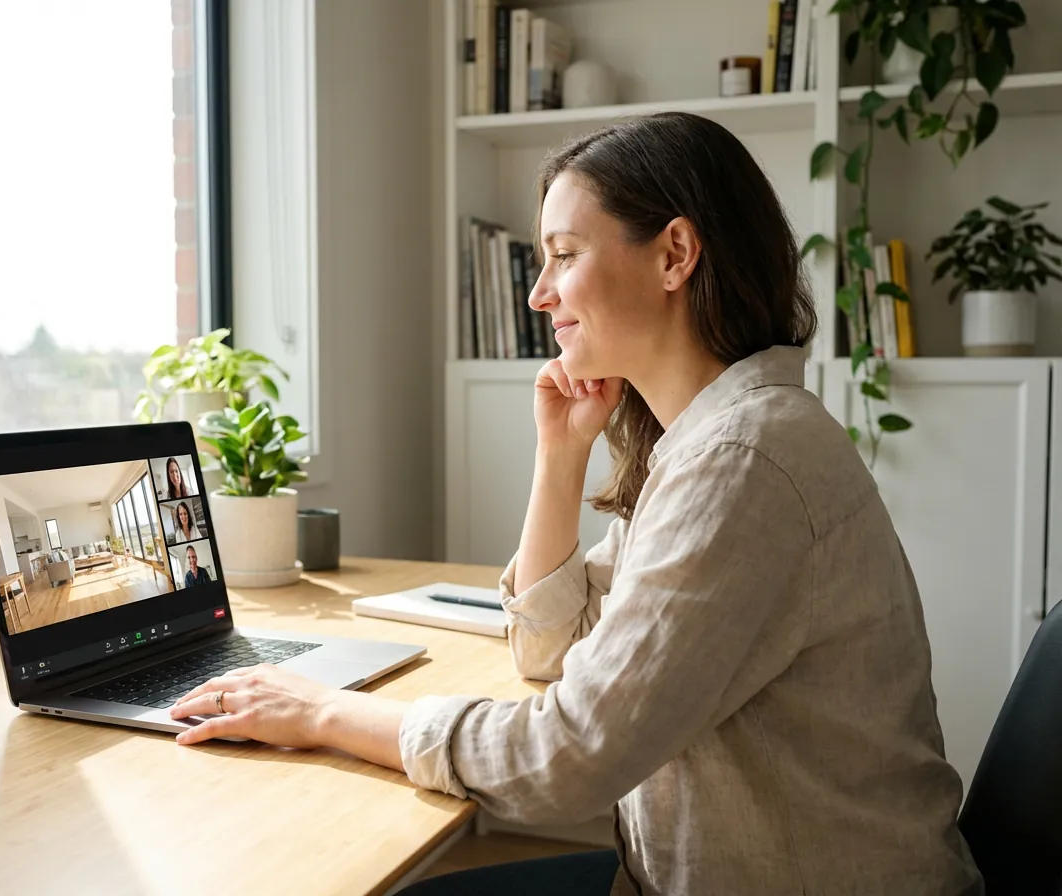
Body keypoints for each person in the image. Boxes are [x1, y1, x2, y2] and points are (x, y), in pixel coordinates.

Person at [167, 112, 983, 896]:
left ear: (675, 255)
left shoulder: (743, 463)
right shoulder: (706, 442)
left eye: (563, 255)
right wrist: (560, 458)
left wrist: (323, 712)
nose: (538, 295)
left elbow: (565, 758)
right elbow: (553, 648)